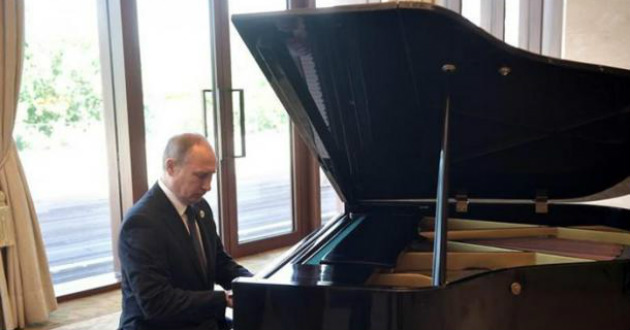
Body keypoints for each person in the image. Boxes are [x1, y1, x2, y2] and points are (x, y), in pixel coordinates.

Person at [118, 133, 252, 330]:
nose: (208, 186)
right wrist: (224, 299)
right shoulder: (141, 223)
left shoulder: (199, 207)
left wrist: (255, 283)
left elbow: (219, 263)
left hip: (200, 320)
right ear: (171, 167)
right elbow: (157, 303)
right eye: (200, 176)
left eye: (211, 175)